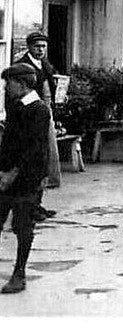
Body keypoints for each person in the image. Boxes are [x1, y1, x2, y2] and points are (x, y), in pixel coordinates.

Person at [0, 64, 50, 293]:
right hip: (6, 174)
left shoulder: (39, 109)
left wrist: (13, 173)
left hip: (27, 178)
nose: (5, 88)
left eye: (8, 83)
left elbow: (33, 148)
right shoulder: (14, 105)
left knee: (22, 226)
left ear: (21, 84)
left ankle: (19, 274)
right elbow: (9, 142)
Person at [13, 32, 60, 221]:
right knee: (33, 161)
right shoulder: (22, 66)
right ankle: (28, 208)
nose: (40, 50)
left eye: (43, 46)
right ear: (29, 47)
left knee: (45, 161)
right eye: (37, 46)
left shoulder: (45, 65)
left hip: (45, 115)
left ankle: (37, 204)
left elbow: (50, 88)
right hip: (30, 118)